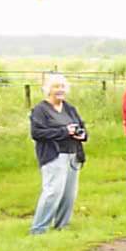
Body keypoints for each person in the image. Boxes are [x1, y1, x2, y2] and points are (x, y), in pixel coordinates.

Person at [29, 74, 88, 234]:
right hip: (54, 155)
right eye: (56, 87)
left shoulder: (69, 108)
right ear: (48, 90)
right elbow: (37, 133)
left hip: (73, 155)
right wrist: (64, 131)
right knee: (53, 191)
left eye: (62, 87)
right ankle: (39, 228)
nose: (60, 90)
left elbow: (81, 126)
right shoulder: (40, 110)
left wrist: (82, 135)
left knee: (69, 194)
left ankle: (62, 225)